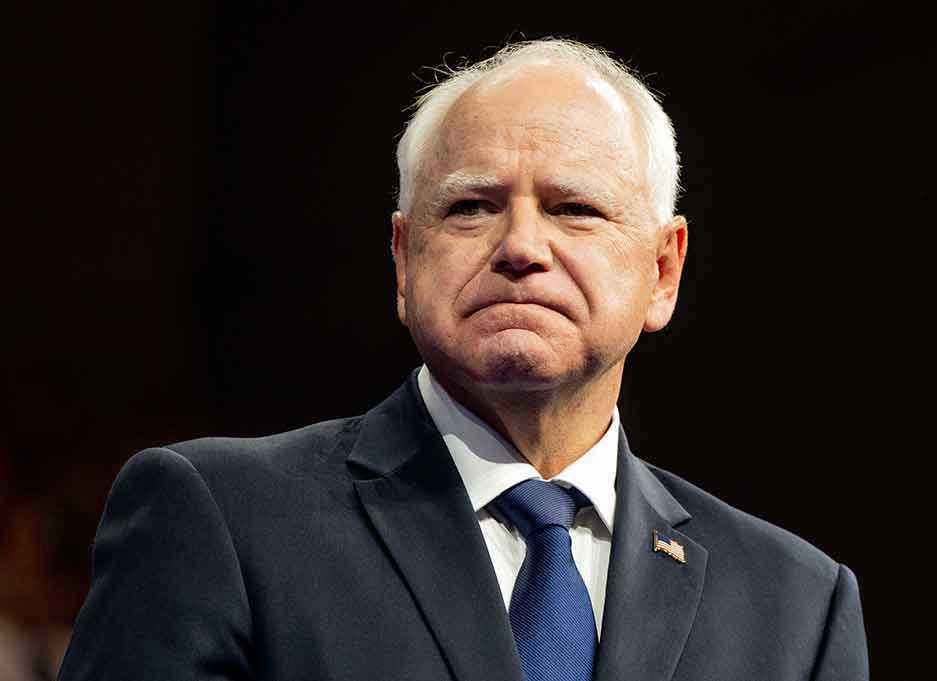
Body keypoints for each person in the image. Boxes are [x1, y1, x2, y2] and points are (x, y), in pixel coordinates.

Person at [58, 39, 868, 681]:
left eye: (574, 208)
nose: (520, 246)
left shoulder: (795, 603)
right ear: (405, 260)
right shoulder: (220, 520)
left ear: (662, 270)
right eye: (472, 206)